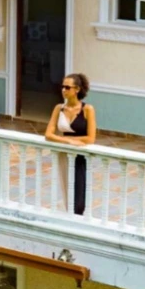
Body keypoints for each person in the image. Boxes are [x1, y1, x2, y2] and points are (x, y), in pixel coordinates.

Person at [44, 73, 97, 215]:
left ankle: (77, 218)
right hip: (64, 153)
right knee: (66, 189)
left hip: (80, 155)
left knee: (79, 194)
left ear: (77, 89)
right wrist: (67, 140)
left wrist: (76, 141)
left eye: (67, 87)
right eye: (62, 87)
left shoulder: (87, 109)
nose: (63, 90)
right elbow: (48, 134)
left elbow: (91, 138)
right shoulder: (58, 108)